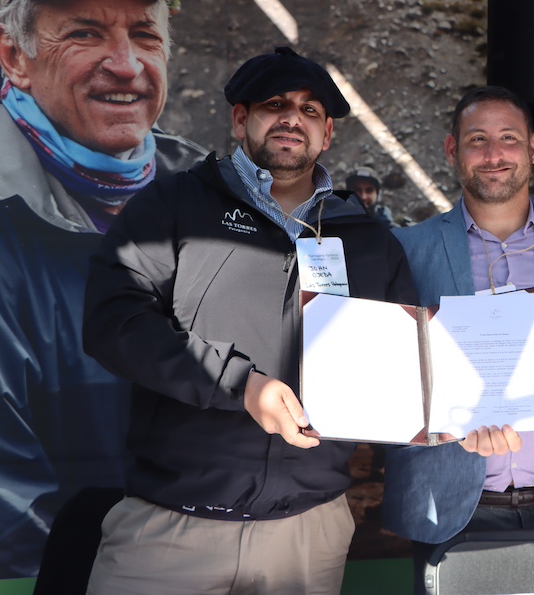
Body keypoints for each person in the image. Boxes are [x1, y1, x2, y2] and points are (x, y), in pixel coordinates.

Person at [82, 46, 417, 594]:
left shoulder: (369, 241)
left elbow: (402, 368)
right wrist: (239, 383)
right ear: (241, 119)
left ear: (327, 134)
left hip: (308, 533)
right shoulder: (173, 205)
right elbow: (113, 320)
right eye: (275, 104)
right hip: (172, 526)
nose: (293, 119)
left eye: (311, 111)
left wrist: (462, 414)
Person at [0, 0, 206, 579]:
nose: (127, 64)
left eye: (144, 34)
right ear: (12, 53)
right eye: (84, 32)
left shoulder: (212, 201)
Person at [382, 86, 534, 593]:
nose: (493, 155)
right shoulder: (405, 249)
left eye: (508, 139)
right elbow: (390, 378)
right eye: (477, 140)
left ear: (533, 149)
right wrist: (447, 425)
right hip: (450, 506)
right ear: (452, 151)